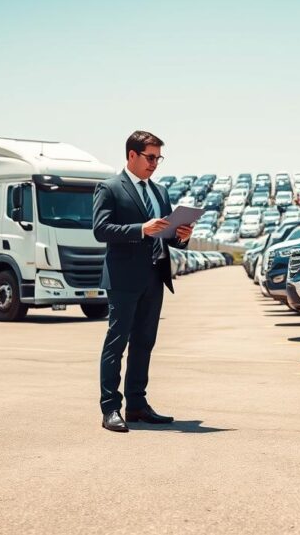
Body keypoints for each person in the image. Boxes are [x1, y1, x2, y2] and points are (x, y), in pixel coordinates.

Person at [92, 130, 192, 433]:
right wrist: (140, 229)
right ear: (132, 155)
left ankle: (137, 405)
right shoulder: (109, 188)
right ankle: (110, 409)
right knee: (116, 343)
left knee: (144, 344)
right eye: (150, 157)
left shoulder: (160, 191)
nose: (155, 163)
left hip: (154, 276)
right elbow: (100, 229)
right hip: (123, 278)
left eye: (158, 158)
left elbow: (163, 232)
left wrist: (180, 237)